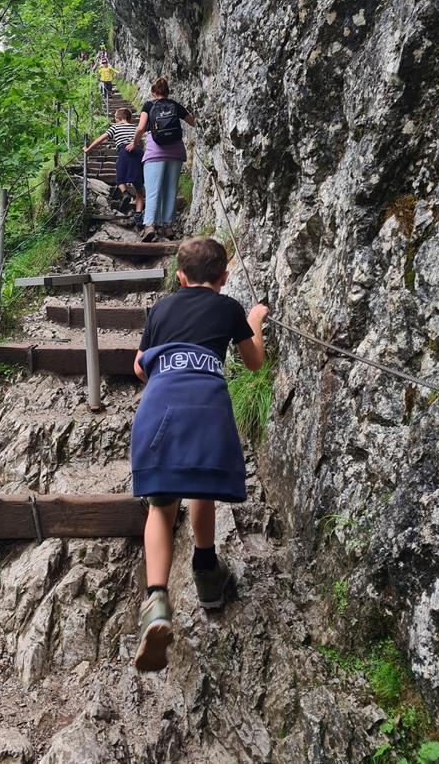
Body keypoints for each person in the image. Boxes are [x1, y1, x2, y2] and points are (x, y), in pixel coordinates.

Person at [129, 236, 269, 672]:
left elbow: (138, 366)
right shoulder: (228, 309)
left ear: (179, 276)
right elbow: (254, 362)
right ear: (224, 278)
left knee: (159, 506)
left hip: (159, 409)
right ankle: (207, 575)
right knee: (200, 490)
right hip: (207, 409)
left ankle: (156, 599)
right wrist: (255, 319)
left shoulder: (160, 310)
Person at [126, 78, 195, 242]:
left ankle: (149, 225)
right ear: (168, 92)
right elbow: (193, 122)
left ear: (152, 92)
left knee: (152, 191)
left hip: (155, 153)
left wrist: (134, 143)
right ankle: (168, 226)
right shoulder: (175, 105)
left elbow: (141, 128)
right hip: (176, 153)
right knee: (170, 190)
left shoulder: (149, 106)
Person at [83, 107, 145, 219]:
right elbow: (140, 142)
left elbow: (100, 139)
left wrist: (88, 149)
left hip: (124, 152)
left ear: (119, 118)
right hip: (137, 153)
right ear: (130, 119)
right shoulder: (135, 127)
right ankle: (138, 214)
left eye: (115, 118)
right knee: (139, 186)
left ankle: (125, 193)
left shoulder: (115, 127)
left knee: (120, 178)